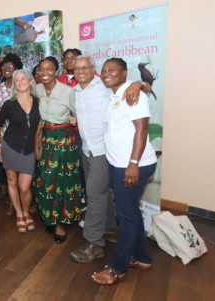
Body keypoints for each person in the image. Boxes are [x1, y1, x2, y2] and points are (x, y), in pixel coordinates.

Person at [70, 56, 151, 263]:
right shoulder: (76, 90)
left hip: (103, 151)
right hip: (87, 149)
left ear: (92, 69)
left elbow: (140, 88)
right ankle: (107, 230)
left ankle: (93, 244)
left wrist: (138, 83)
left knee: (94, 195)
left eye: (85, 67)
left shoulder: (104, 85)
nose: (80, 71)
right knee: (102, 194)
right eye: (76, 68)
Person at [91, 58, 157, 285]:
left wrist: (133, 164)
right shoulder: (115, 95)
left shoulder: (133, 95)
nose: (106, 73)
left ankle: (118, 268)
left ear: (124, 72)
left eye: (112, 70)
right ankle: (142, 258)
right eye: (104, 71)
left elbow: (142, 130)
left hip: (130, 165)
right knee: (131, 212)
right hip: (120, 163)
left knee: (126, 216)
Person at [34, 56, 82, 244]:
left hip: (63, 138)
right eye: (41, 69)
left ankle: (60, 223)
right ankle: (49, 217)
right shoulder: (36, 89)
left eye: (49, 69)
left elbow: (80, 112)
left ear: (56, 71)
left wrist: (74, 118)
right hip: (44, 137)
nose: (44, 73)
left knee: (61, 181)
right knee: (44, 179)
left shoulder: (68, 91)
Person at [0, 69, 40, 233]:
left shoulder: (39, 102)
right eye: (17, 79)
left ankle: (27, 211)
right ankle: (20, 214)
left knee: (25, 187)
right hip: (10, 147)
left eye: (23, 78)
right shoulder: (9, 104)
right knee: (12, 182)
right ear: (14, 84)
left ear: (30, 81)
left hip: (29, 150)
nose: (20, 81)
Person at [0, 53, 23, 213]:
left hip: (22, 137)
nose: (7, 69)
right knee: (9, 172)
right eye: (4, 67)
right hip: (3, 137)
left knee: (21, 173)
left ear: (17, 68)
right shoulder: (0, 89)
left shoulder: (22, 88)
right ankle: (12, 201)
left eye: (11, 67)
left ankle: (23, 202)